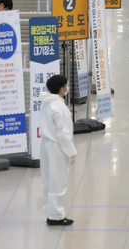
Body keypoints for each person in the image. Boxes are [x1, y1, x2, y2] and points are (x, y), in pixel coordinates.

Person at [39, 74, 77, 226]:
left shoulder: (46, 103)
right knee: (58, 181)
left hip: (46, 145)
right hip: (57, 147)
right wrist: (71, 151)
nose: (66, 89)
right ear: (61, 89)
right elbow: (64, 133)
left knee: (48, 181)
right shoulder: (59, 107)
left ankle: (51, 212)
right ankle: (57, 216)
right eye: (65, 87)